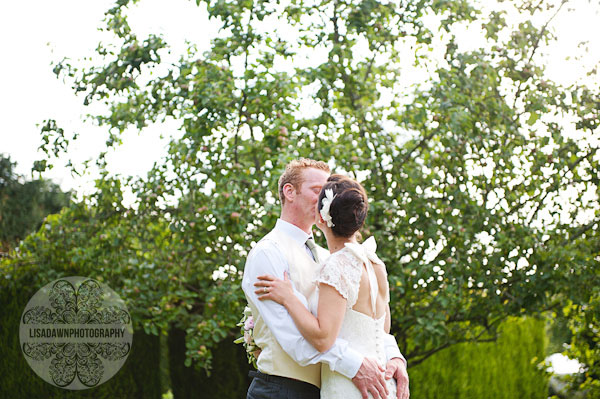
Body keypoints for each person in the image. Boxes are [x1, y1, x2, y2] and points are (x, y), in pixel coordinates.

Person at [241, 159, 408, 399]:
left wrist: (393, 357)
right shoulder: (268, 252)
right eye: (317, 191)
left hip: (330, 388)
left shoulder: (332, 258)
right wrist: (356, 365)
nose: (323, 200)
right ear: (289, 192)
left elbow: (363, 321)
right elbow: (295, 340)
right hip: (284, 390)